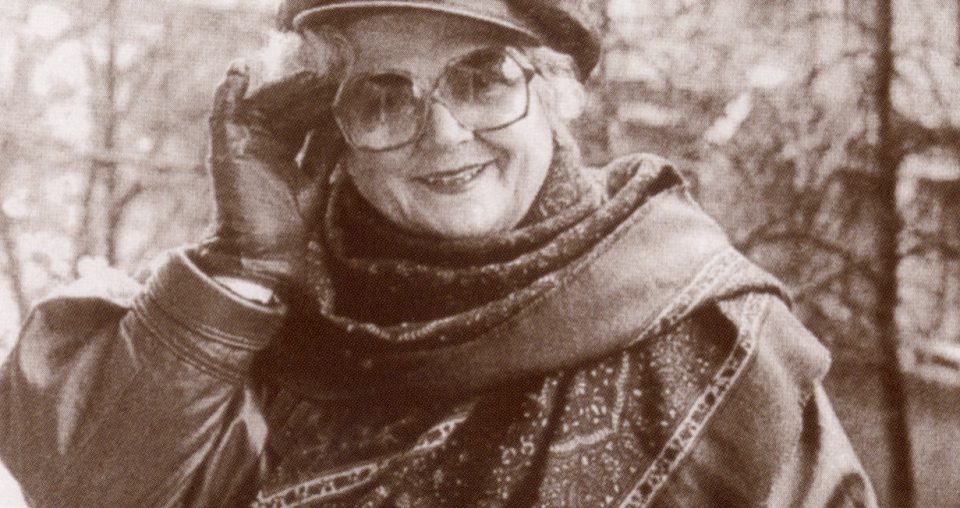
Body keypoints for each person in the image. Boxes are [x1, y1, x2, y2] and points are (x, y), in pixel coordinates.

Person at [0, 1, 877, 506]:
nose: (445, 133)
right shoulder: (259, 324)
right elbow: (88, 488)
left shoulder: (714, 333)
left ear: (554, 96)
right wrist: (247, 262)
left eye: (483, 79)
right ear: (330, 128)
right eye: (384, 98)